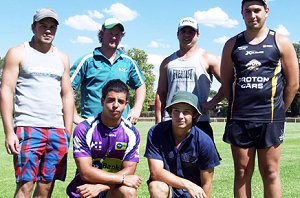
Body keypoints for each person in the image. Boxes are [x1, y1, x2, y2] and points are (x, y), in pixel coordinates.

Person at [220, 0, 299, 197]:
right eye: (248, 11)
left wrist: (279, 109)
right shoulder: (232, 44)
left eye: (257, 10)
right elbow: (226, 83)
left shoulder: (280, 42)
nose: (253, 15)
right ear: (242, 13)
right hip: (239, 119)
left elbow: (293, 83)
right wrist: (237, 108)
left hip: (270, 118)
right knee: (241, 171)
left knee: (271, 172)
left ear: (266, 11)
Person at [0, 8, 74, 198]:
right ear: (34, 27)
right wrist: (9, 132)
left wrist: (67, 131)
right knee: (26, 184)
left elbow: (67, 94)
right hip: (28, 127)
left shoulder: (62, 58)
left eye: (52, 27)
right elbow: (6, 91)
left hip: (57, 130)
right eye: (43, 26)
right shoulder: (17, 53)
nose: (48, 31)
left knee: (46, 186)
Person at [155, 16, 224, 153]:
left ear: (198, 35)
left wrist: (212, 103)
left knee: (202, 167)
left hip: (200, 121)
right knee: (169, 165)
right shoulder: (167, 62)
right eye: (183, 31)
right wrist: (158, 120)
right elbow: (161, 93)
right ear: (177, 34)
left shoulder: (208, 58)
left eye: (191, 32)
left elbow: (227, 83)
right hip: (172, 120)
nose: (187, 35)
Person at [67, 79, 142, 198]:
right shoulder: (84, 129)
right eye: (111, 100)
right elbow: (86, 172)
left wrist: (102, 187)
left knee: (129, 191)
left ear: (126, 105)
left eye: (121, 101)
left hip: (111, 190)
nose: (115, 105)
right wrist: (122, 179)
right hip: (85, 191)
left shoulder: (132, 133)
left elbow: (129, 170)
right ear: (102, 101)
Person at [70, 18, 146, 125]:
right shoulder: (87, 60)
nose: (114, 37)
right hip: (92, 125)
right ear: (101, 34)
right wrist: (74, 116)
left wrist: (137, 108)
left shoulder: (128, 62)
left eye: (118, 34)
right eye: (110, 33)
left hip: (121, 125)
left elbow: (140, 86)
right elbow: (68, 88)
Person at [145, 91, 220, 198]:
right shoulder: (156, 132)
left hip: (193, 194)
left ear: (194, 114)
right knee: (156, 187)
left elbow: (206, 183)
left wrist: (193, 189)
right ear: (170, 112)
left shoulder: (205, 141)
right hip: (169, 189)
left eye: (186, 112)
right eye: (176, 111)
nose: (180, 116)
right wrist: (188, 185)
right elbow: (156, 173)